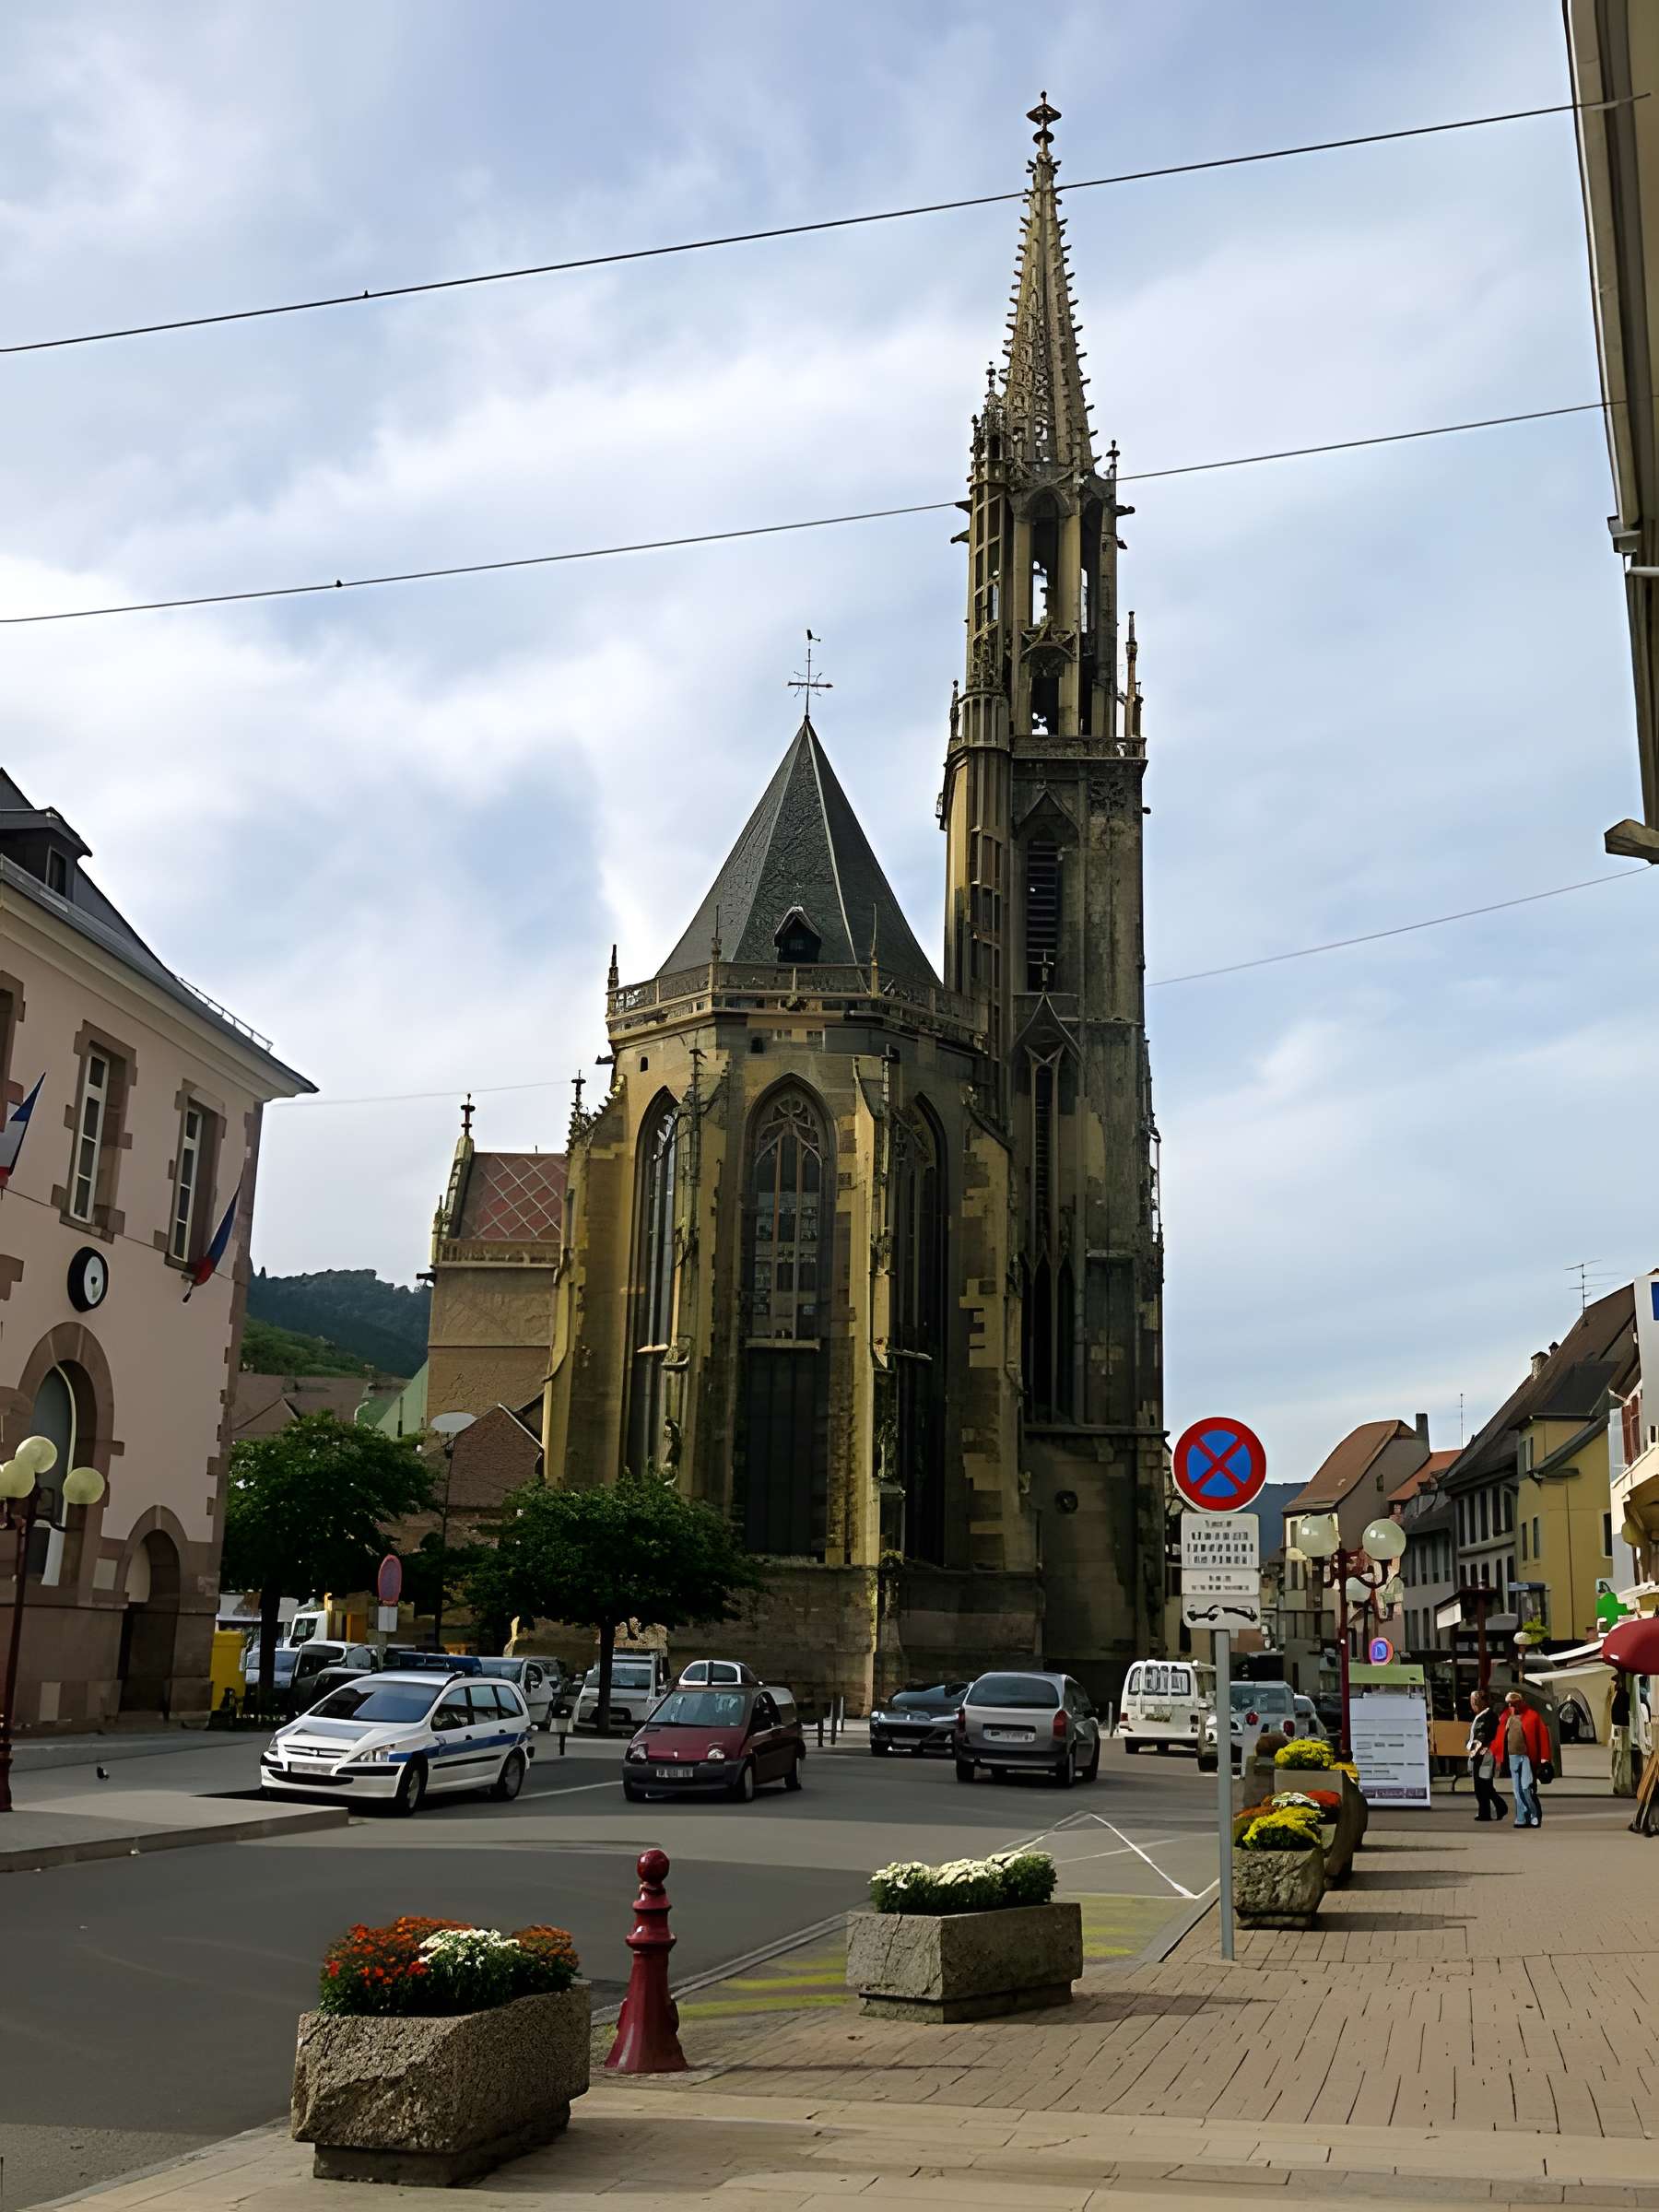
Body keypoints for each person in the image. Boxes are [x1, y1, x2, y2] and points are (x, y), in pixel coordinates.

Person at [1499, 1688, 1549, 1828]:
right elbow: (1499, 1736)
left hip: (1527, 1757)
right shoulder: (1506, 1717)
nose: (1511, 1706)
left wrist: (1544, 1758)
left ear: (1521, 1702)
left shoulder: (1532, 1716)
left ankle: (1534, 1814)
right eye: (1509, 1703)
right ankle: (1521, 1817)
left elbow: (1543, 1736)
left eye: (1514, 1703)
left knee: (1527, 1788)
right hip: (1513, 1757)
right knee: (1517, 1790)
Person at [1465, 1688, 1502, 1822]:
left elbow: (1484, 1737)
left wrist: (1475, 1748)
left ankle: (1492, 1809)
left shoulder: (1489, 1717)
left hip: (1484, 1755)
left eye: (1474, 1701)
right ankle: (1489, 1810)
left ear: (1482, 1702)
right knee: (1481, 1785)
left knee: (1483, 1785)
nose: (1472, 1704)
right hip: (1478, 1754)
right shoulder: (1479, 1716)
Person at [1610, 1672, 1636, 1797]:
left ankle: (1619, 1784)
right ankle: (1623, 1785)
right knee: (1623, 1757)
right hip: (1624, 1728)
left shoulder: (1618, 1694)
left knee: (1620, 1757)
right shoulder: (1623, 1695)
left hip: (1619, 1728)